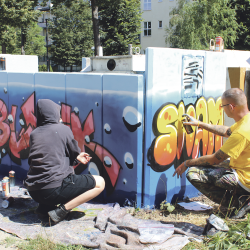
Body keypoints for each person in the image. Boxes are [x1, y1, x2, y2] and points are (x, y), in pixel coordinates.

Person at [173, 88, 250, 219]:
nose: (222, 109)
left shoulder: (242, 132)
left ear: (231, 107)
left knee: (193, 173)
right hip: (244, 168)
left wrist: (187, 163)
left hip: (246, 180)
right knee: (217, 166)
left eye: (222, 106)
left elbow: (215, 159)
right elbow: (227, 131)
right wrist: (198, 123)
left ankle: (241, 203)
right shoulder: (246, 121)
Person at [24, 99, 105, 223]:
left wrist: (75, 157)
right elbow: (73, 152)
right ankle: (61, 211)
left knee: (52, 179)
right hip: (53, 190)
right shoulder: (63, 129)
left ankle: (44, 207)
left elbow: (48, 157)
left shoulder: (34, 133)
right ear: (54, 114)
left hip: (34, 191)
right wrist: (77, 156)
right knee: (100, 182)